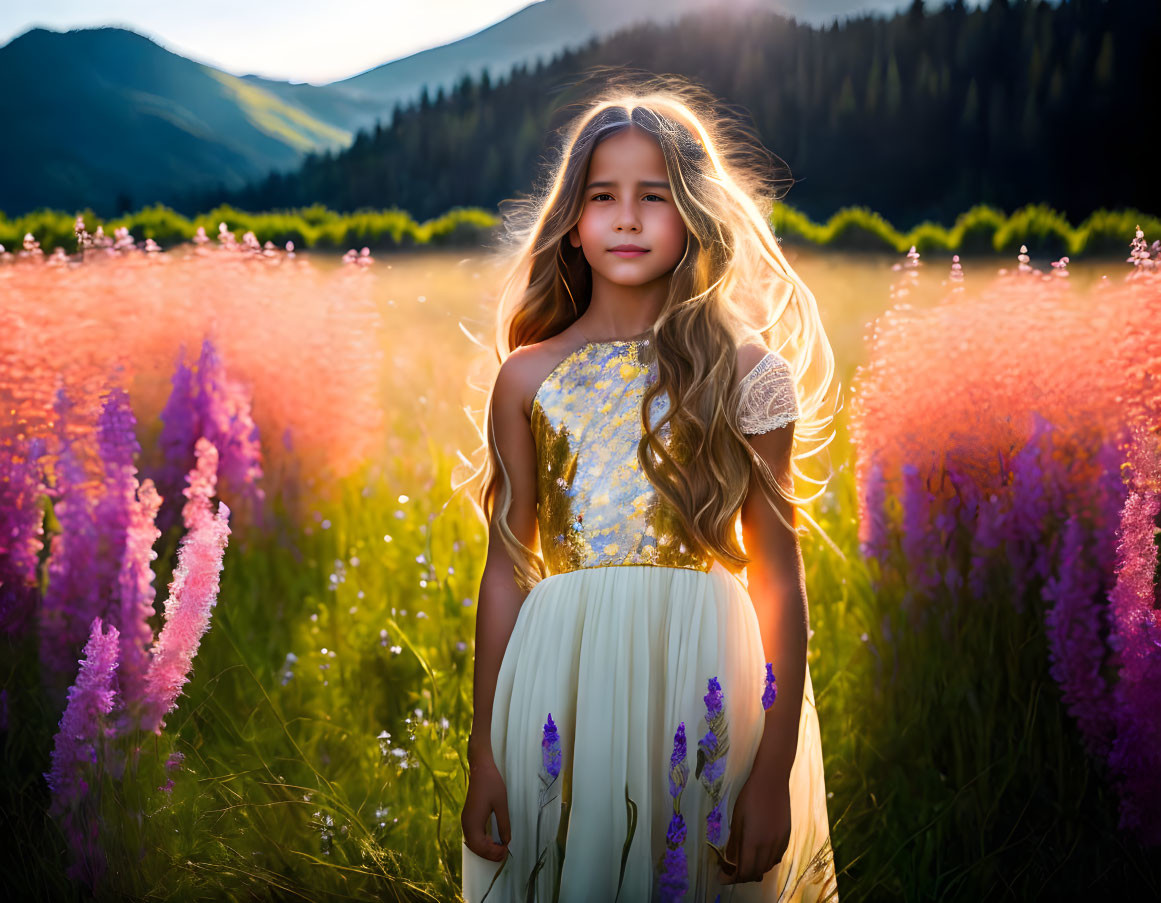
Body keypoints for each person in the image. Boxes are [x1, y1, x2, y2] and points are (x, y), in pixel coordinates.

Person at [457, 74, 841, 902]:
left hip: (702, 668)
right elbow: (504, 569)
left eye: (654, 196)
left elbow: (779, 576)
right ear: (571, 219)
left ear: (694, 214)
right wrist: (483, 748)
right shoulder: (526, 377)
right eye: (602, 195)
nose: (625, 218)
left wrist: (771, 768)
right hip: (560, 679)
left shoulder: (747, 375)